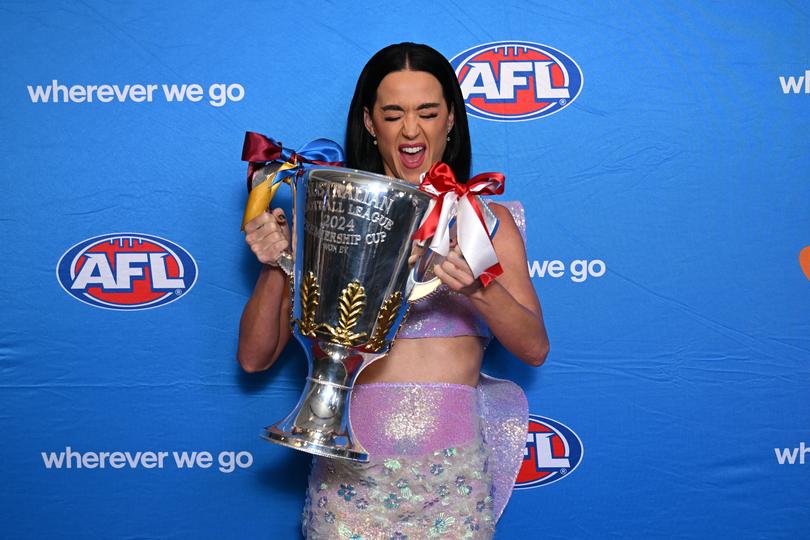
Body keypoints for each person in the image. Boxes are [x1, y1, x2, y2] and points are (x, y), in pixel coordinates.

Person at [239, 43, 549, 539]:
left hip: (454, 485)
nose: (411, 130)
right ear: (369, 122)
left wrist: (476, 287)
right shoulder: (328, 214)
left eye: (428, 112)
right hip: (347, 482)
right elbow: (255, 358)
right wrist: (277, 264)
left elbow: (534, 348)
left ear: (451, 120)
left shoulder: (488, 221)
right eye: (393, 114)